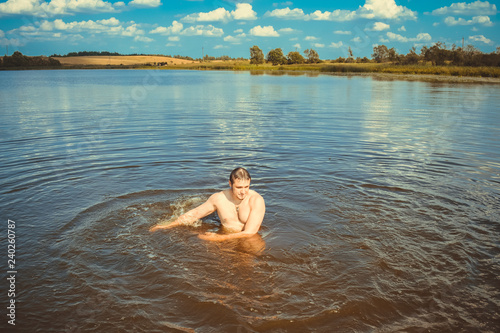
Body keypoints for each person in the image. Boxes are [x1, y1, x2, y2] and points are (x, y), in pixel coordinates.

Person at [150, 167, 265, 241]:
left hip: (249, 240)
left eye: (247, 187)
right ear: (230, 183)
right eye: (239, 187)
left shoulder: (256, 200)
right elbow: (194, 214)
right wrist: (166, 226)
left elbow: (250, 232)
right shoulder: (219, 199)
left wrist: (219, 238)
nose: (243, 191)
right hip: (225, 235)